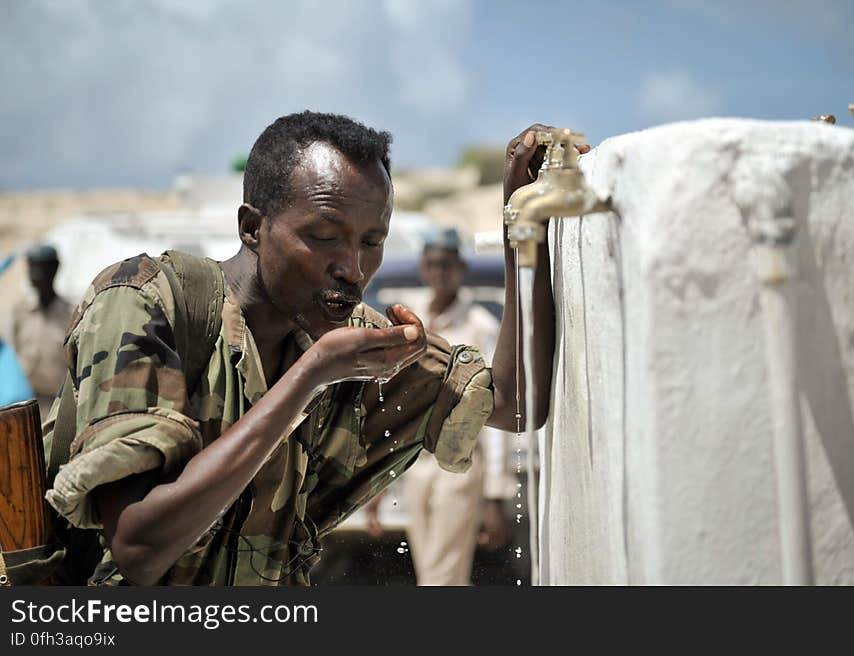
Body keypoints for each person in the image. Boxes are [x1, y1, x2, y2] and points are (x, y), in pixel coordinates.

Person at [43, 111, 579, 586]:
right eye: (324, 237)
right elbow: (139, 547)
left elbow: (515, 401)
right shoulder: (143, 302)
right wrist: (311, 376)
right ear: (253, 227)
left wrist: (521, 222)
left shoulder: (349, 340)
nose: (352, 267)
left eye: (372, 242)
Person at [367, 227, 517, 585]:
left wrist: (496, 494)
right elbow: (392, 402)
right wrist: (378, 480)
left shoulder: (479, 326)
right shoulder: (409, 321)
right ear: (424, 268)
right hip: (415, 463)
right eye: (433, 265)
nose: (440, 273)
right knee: (429, 573)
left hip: (459, 465)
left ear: (460, 268)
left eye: (447, 265)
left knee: (443, 576)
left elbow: (493, 410)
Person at [10, 244, 73, 420]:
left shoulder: (71, 314)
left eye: (44, 268)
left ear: (55, 269)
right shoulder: (21, 313)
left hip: (60, 406)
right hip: (25, 404)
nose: (38, 275)